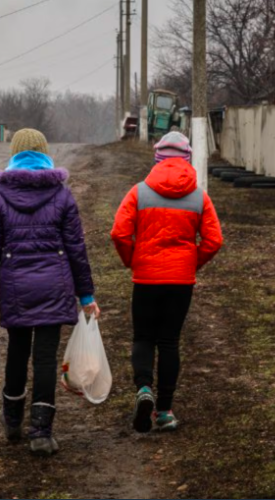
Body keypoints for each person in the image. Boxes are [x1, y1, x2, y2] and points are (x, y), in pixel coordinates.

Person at [0, 128, 98, 457]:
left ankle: (12, 420)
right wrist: (86, 296)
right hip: (54, 285)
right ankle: (41, 432)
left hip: (16, 287)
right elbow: (76, 250)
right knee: (44, 358)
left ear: (14, 155)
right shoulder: (62, 195)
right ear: (44, 154)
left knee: (17, 351)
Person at [111, 131, 223, 433]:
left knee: (144, 337)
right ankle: (163, 411)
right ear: (187, 159)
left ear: (157, 158)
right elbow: (214, 240)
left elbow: (119, 233)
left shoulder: (139, 192)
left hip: (146, 277)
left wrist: (132, 260)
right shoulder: (199, 196)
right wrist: (191, 262)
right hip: (180, 281)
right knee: (169, 341)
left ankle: (144, 388)